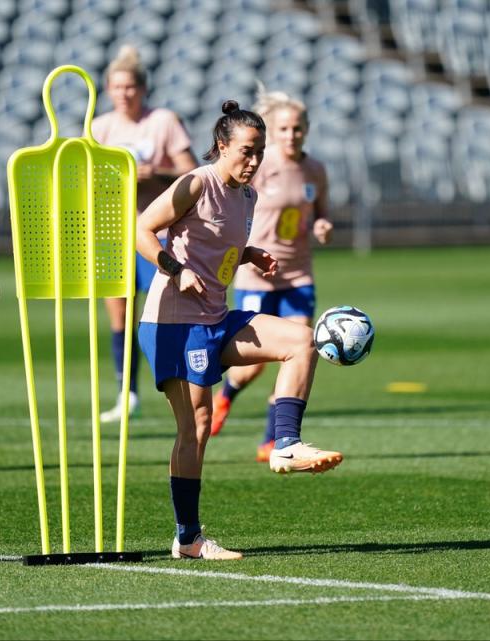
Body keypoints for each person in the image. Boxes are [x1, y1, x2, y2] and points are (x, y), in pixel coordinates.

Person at [136, 100, 343, 561]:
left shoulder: (247, 196)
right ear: (221, 146)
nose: (254, 161)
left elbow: (214, 240)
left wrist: (247, 253)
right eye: (246, 151)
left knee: (301, 341)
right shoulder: (196, 182)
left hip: (213, 316)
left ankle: (284, 443)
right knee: (197, 427)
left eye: (260, 152)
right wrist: (174, 269)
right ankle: (188, 537)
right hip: (173, 320)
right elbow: (142, 229)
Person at [209, 86, 333, 463]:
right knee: (254, 366)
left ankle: (272, 440)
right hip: (258, 275)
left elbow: (321, 209)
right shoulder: (259, 165)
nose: (291, 135)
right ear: (274, 131)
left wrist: (323, 225)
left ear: (306, 130)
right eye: (283, 129)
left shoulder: (314, 169)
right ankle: (226, 396)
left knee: (298, 348)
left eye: (297, 128)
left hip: (297, 274)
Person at [91, 45, 198, 422]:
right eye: (117, 87)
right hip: (113, 232)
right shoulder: (100, 128)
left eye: (130, 87)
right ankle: (126, 394)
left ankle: (180, 387)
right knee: (119, 317)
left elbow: (191, 174)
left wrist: (156, 174)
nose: (124, 94)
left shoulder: (163, 121)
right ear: (108, 89)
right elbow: (84, 180)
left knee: (163, 314)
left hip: (157, 234)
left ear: (143, 88)